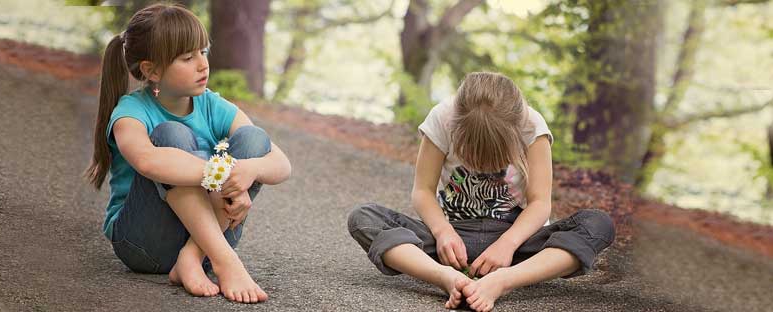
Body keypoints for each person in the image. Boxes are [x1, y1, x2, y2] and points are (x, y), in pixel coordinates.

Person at [347, 72, 615, 311]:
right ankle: (445, 277)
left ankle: (502, 281)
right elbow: (423, 191)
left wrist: (507, 245)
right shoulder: (442, 118)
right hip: (452, 241)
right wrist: (442, 233)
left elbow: (539, 203)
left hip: (518, 242)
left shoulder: (532, 125)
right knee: (364, 217)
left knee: (598, 224)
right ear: (457, 127)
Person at [84, 3, 291, 303]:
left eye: (203, 52)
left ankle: (192, 258)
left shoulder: (211, 104)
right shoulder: (131, 112)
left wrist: (249, 171)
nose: (202, 64)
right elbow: (148, 160)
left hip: (208, 241)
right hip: (145, 244)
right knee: (171, 135)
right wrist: (222, 177)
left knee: (253, 140)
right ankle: (226, 262)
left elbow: (281, 163)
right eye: (187, 57)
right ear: (151, 70)